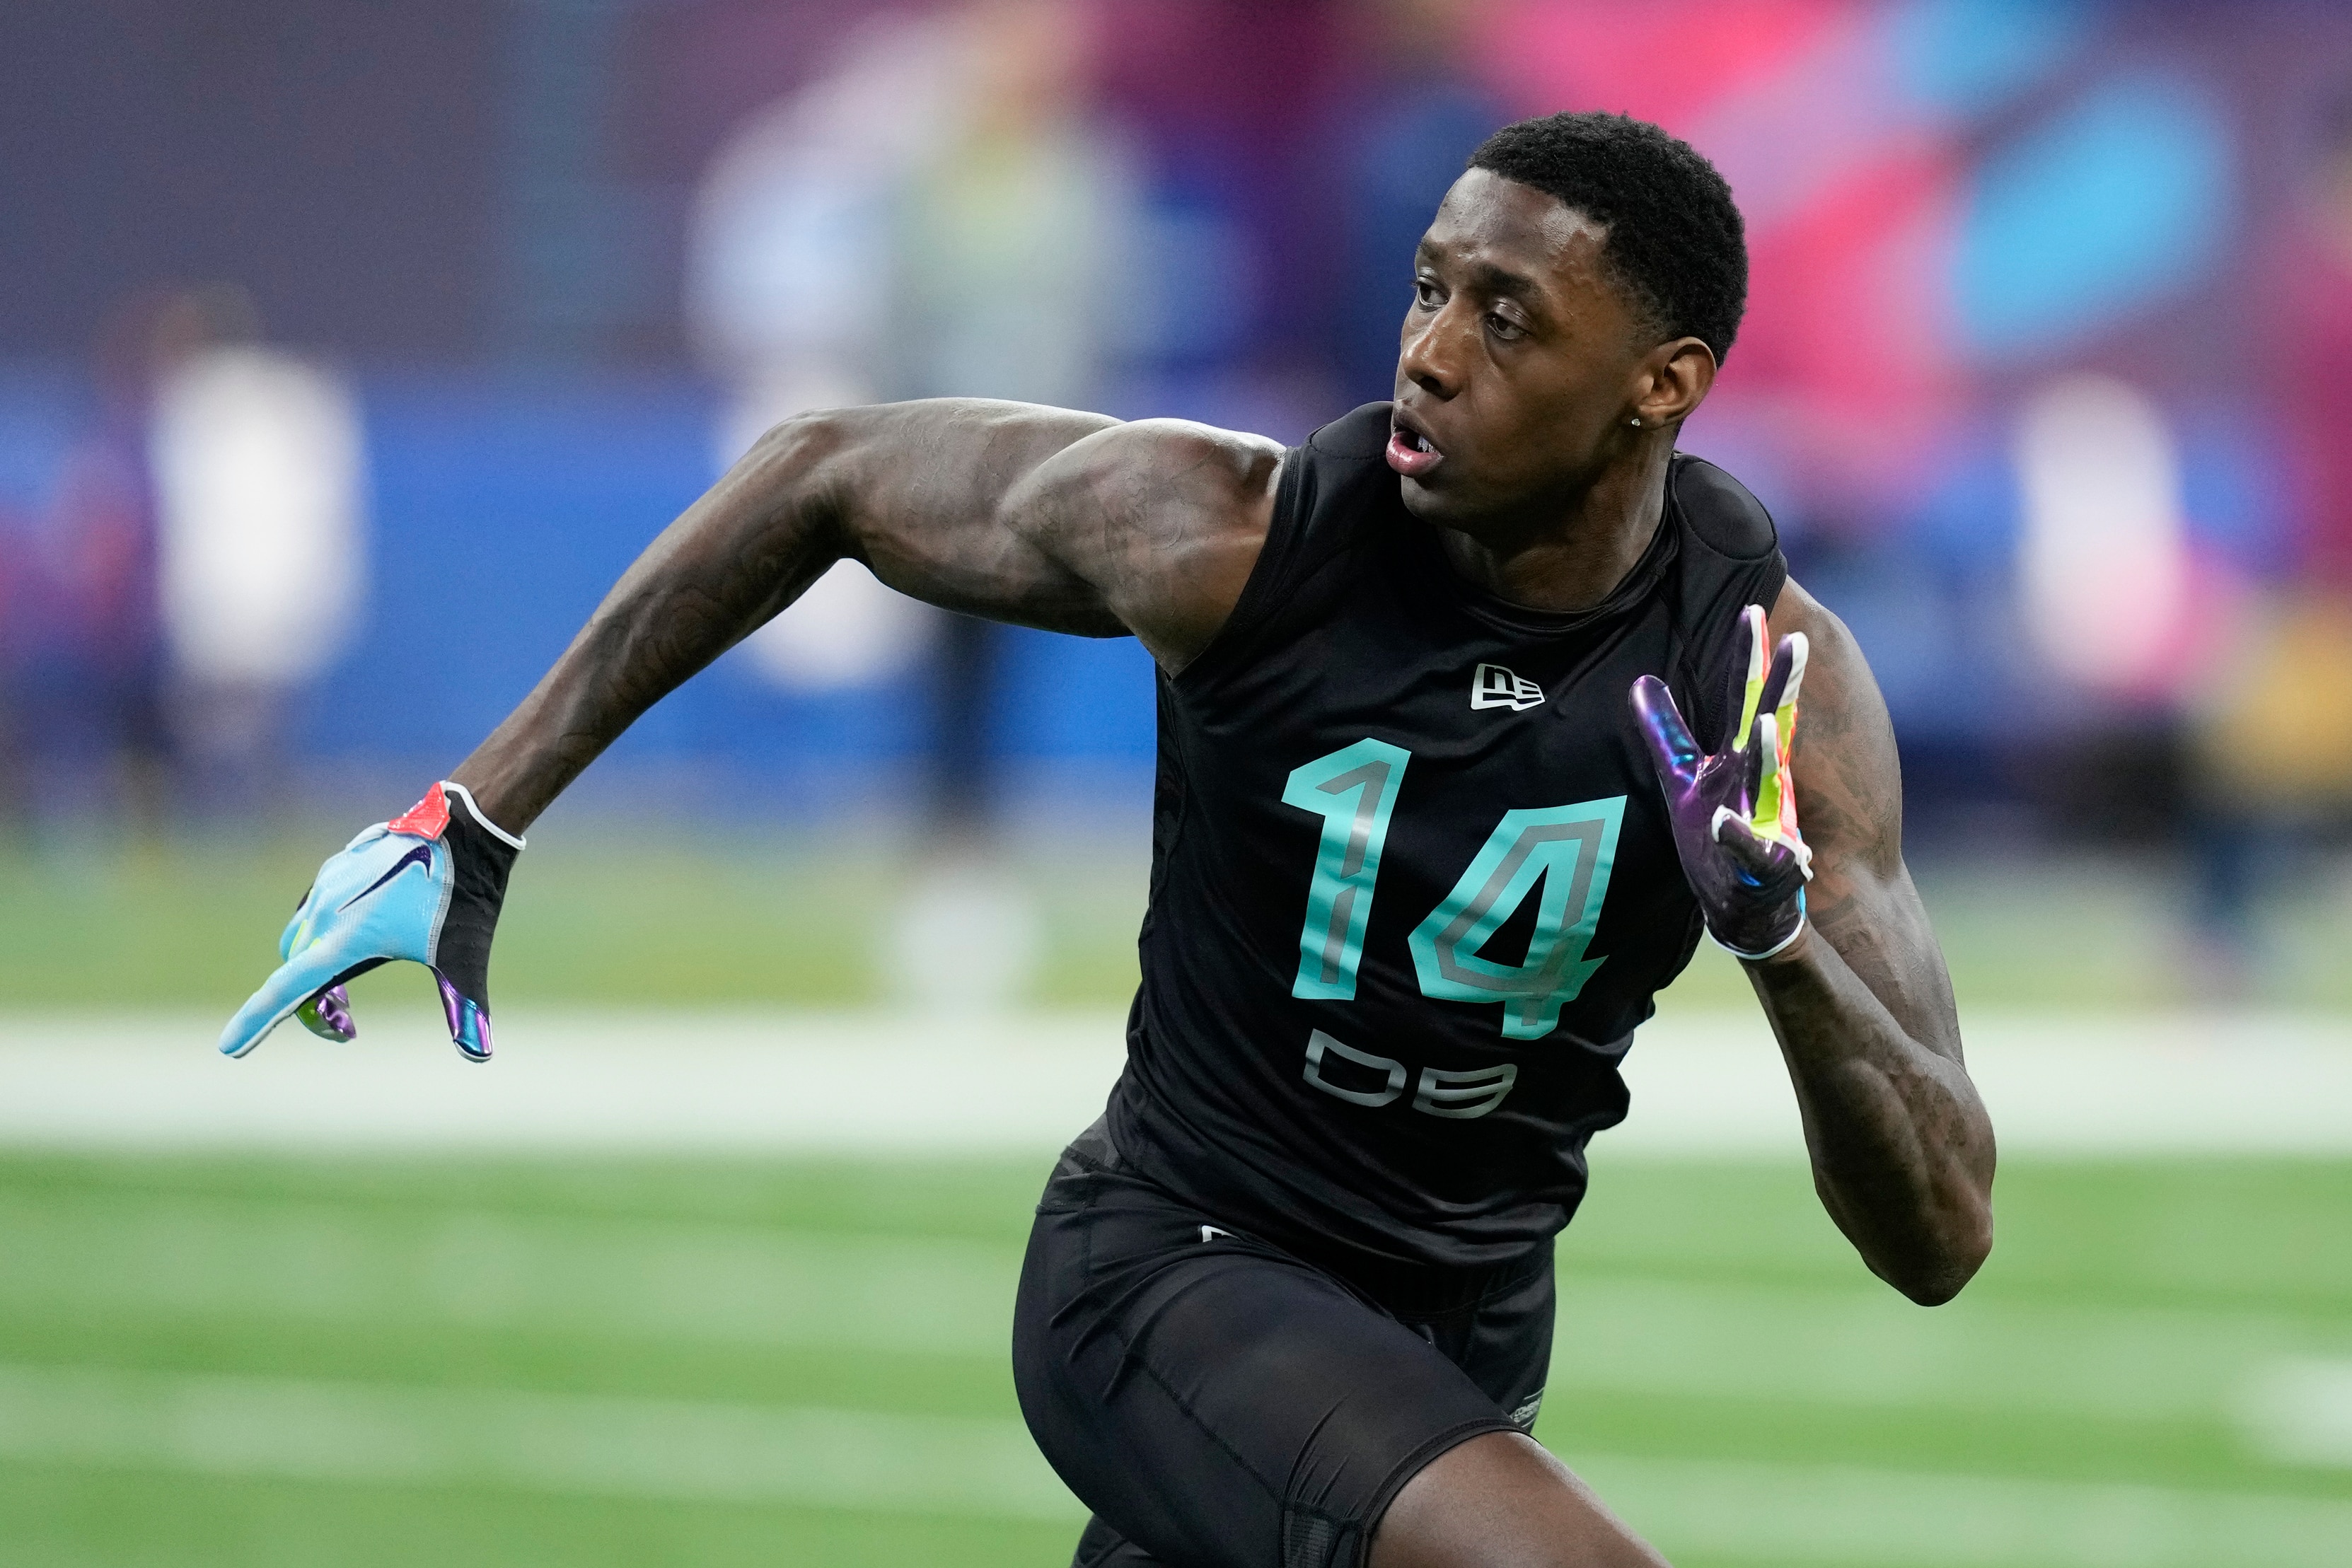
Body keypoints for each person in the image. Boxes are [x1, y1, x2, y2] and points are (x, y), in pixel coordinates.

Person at [221, 112, 1995, 1568]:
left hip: (1459, 1333)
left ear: (1660, 383)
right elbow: (824, 465)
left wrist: (1781, 947)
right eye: (1429, 288)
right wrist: (479, 807)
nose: (1431, 353)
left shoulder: (1767, 685)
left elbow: (1940, 1232)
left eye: (1509, 318)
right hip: (1177, 1272)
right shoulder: (1235, 539)